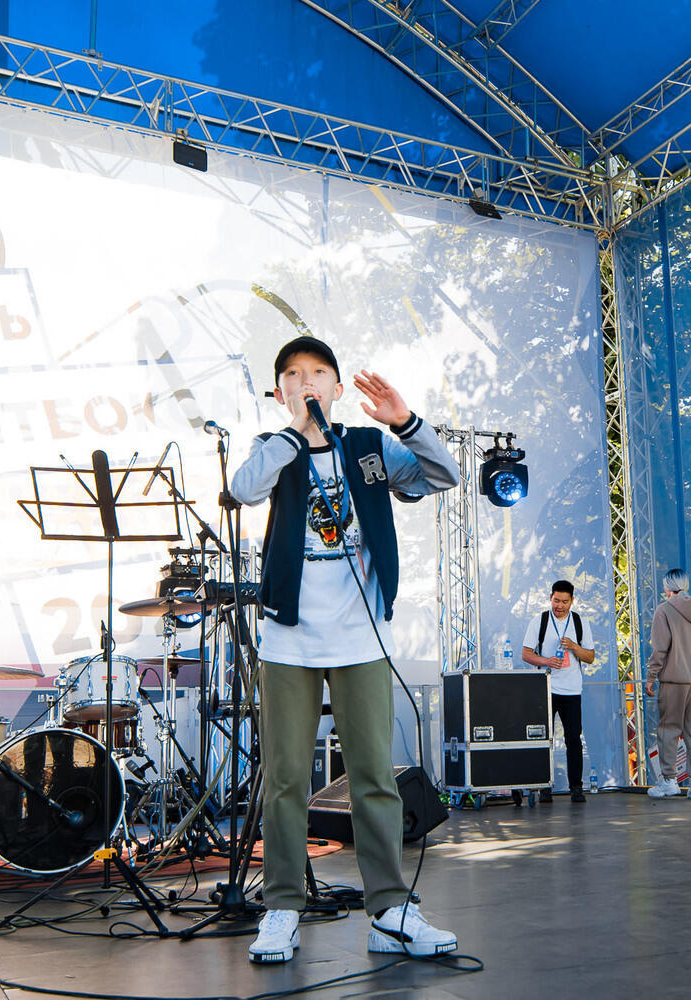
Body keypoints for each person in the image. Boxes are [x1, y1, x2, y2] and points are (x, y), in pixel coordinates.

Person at [230, 336, 460, 965]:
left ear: (336, 388)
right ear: (280, 391)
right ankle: (282, 906)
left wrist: (406, 423)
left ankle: (389, 911)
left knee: (373, 776)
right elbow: (243, 489)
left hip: (361, 637)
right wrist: (295, 432)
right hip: (289, 638)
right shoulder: (272, 448)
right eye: (291, 375)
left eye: (317, 373)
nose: (305, 382)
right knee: (285, 779)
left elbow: (445, 475)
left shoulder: (368, 447)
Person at [643, 568, 691, 800]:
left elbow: (660, 648)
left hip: (674, 680)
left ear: (667, 587)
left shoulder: (664, 610)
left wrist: (651, 677)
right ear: (685, 585)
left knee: (669, 730)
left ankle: (669, 780)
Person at [521, 580, 595, 801]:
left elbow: (590, 657)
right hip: (546, 689)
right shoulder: (540, 621)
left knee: (574, 739)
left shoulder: (580, 622)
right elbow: (526, 654)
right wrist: (547, 661)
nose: (559, 606)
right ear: (550, 598)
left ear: (572, 601)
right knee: (544, 739)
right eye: (556, 601)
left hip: (572, 690)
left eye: (564, 601)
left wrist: (574, 647)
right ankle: (544, 786)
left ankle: (576, 787)